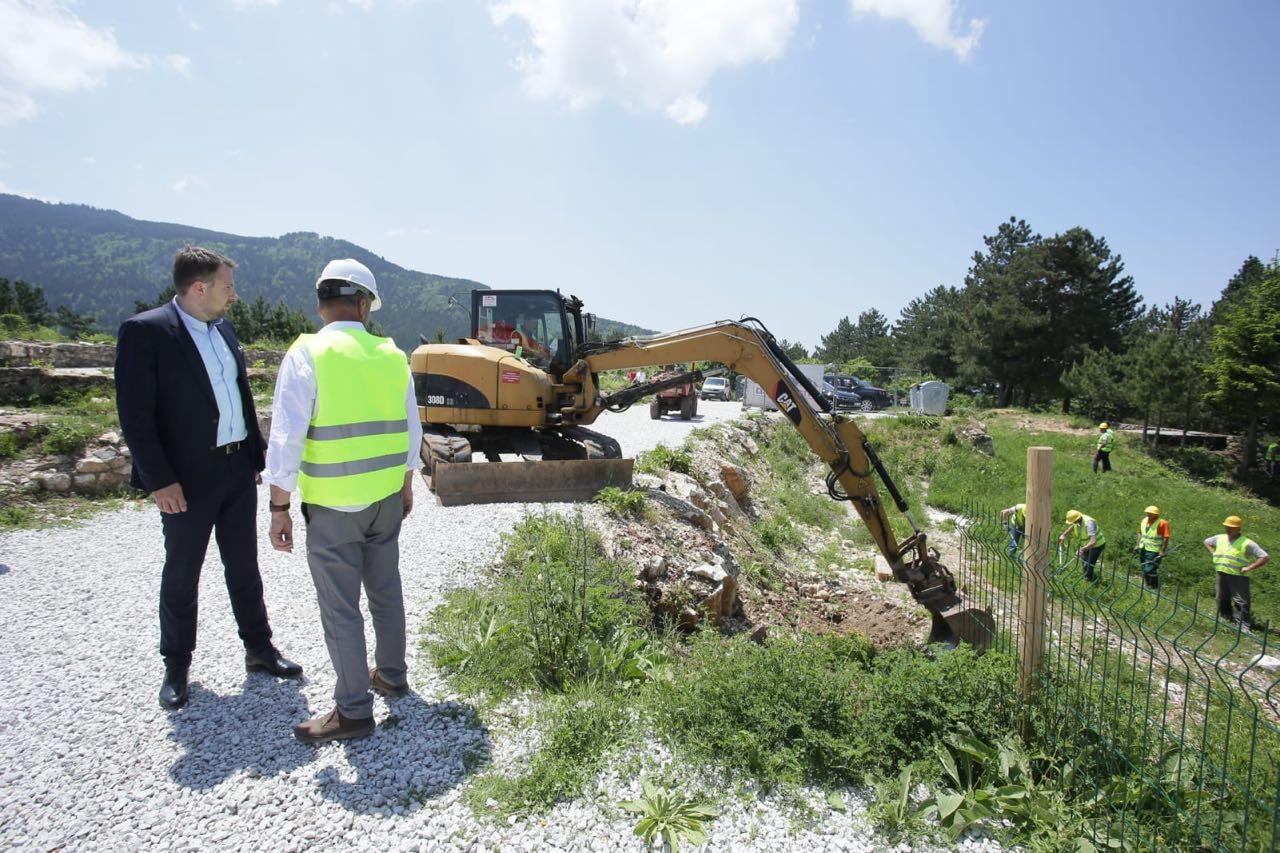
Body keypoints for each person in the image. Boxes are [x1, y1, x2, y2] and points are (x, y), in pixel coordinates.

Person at [115, 246, 302, 711]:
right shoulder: (147, 332)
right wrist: (160, 480)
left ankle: (259, 649)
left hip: (236, 469)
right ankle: (176, 665)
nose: (234, 295)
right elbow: (135, 416)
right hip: (186, 478)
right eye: (227, 286)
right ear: (199, 288)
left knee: (244, 566)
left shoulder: (223, 329)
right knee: (182, 571)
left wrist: (255, 459)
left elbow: (238, 396)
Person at [264, 258, 423, 744]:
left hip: (334, 506)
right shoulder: (393, 355)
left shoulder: (307, 354)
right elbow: (410, 430)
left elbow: (286, 437)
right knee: (385, 591)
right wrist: (405, 486)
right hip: (385, 499)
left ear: (321, 303)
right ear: (363, 304)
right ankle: (391, 676)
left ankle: (353, 711)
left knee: (340, 608)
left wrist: (278, 506)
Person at [1205, 515, 1270, 631]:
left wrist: (1250, 567)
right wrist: (1213, 552)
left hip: (1238, 576)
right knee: (1221, 597)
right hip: (1221, 572)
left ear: (1238, 528)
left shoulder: (1247, 543)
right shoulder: (1220, 538)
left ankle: (1243, 626)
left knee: (1241, 601)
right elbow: (1207, 542)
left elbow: (1264, 557)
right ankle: (1225, 618)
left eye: (1231, 527)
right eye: (1226, 526)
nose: (1227, 529)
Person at [1059, 509, 1106, 582]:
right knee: (1085, 561)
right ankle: (1087, 573)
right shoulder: (1078, 521)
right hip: (1088, 545)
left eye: (1073, 521)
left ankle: (1089, 580)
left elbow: (1093, 541)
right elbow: (1072, 527)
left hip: (1097, 545)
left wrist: (1082, 549)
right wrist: (1064, 535)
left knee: (1089, 564)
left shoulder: (1088, 523)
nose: (1073, 523)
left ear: (1077, 519)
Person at [1135, 505, 1171, 589]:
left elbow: (1166, 538)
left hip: (1154, 550)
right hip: (1143, 548)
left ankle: (1154, 587)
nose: (1149, 514)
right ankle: (1148, 585)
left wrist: (1162, 550)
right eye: (1148, 513)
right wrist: (1137, 545)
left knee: (1150, 569)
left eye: (1151, 513)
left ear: (1156, 514)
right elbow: (1140, 532)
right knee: (1144, 567)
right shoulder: (1144, 520)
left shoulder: (1163, 523)